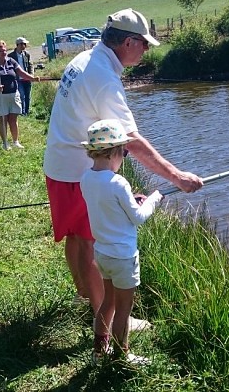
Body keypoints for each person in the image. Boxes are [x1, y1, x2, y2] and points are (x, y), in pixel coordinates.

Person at [42, 8, 203, 323]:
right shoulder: (103, 77)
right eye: (144, 44)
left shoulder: (86, 59)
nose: (146, 50)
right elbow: (132, 141)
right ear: (129, 42)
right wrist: (178, 177)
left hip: (60, 164)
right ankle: (110, 319)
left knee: (76, 236)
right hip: (81, 171)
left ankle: (86, 298)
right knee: (93, 242)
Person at [80, 119, 163, 366]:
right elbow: (137, 218)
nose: (124, 157)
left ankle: (98, 353)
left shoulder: (86, 178)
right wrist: (153, 199)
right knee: (124, 308)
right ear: (114, 152)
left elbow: (108, 206)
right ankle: (122, 355)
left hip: (102, 254)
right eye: (124, 153)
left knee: (108, 302)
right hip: (124, 257)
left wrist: (131, 200)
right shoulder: (118, 183)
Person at [0, 39, 39, 150]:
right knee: (3, 119)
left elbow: (21, 73)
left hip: (13, 94)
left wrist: (32, 78)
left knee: (13, 119)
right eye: (1, 51)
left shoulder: (11, 61)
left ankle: (16, 141)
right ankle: (5, 143)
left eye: (5, 50)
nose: (4, 53)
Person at [7, 37, 34, 116]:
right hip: (18, 80)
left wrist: (31, 75)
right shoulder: (11, 56)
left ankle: (27, 111)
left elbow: (30, 65)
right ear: (18, 45)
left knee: (27, 96)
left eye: (25, 44)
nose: (25, 46)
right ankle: (22, 112)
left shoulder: (26, 54)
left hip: (27, 79)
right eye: (23, 44)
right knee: (21, 95)